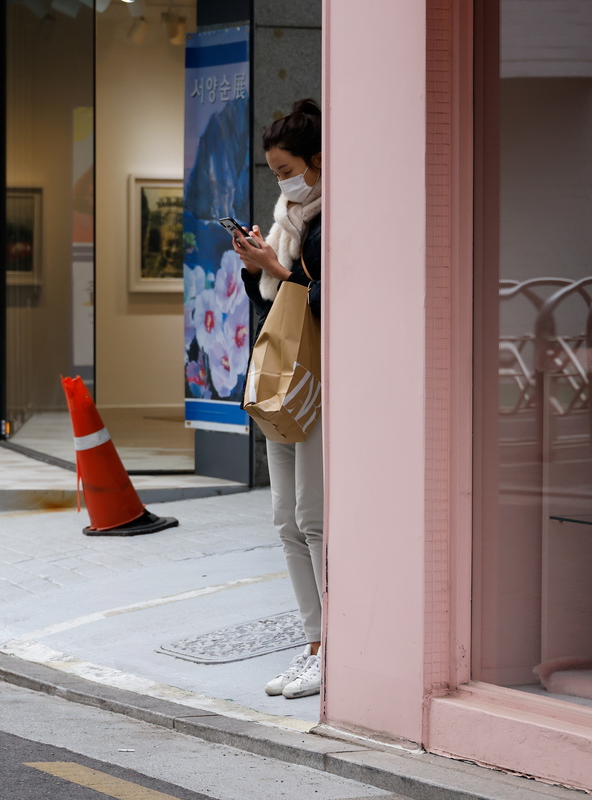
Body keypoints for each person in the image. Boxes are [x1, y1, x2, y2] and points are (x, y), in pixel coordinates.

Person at [232, 99, 324, 700]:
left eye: (288, 169)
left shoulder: (335, 218)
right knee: (285, 520)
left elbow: (333, 301)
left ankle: (335, 646)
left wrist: (282, 270)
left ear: (319, 160)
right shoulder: (289, 217)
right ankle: (314, 642)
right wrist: (257, 266)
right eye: (274, 173)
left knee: (314, 519)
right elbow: (274, 308)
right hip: (280, 382)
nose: (283, 182)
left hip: (317, 382)